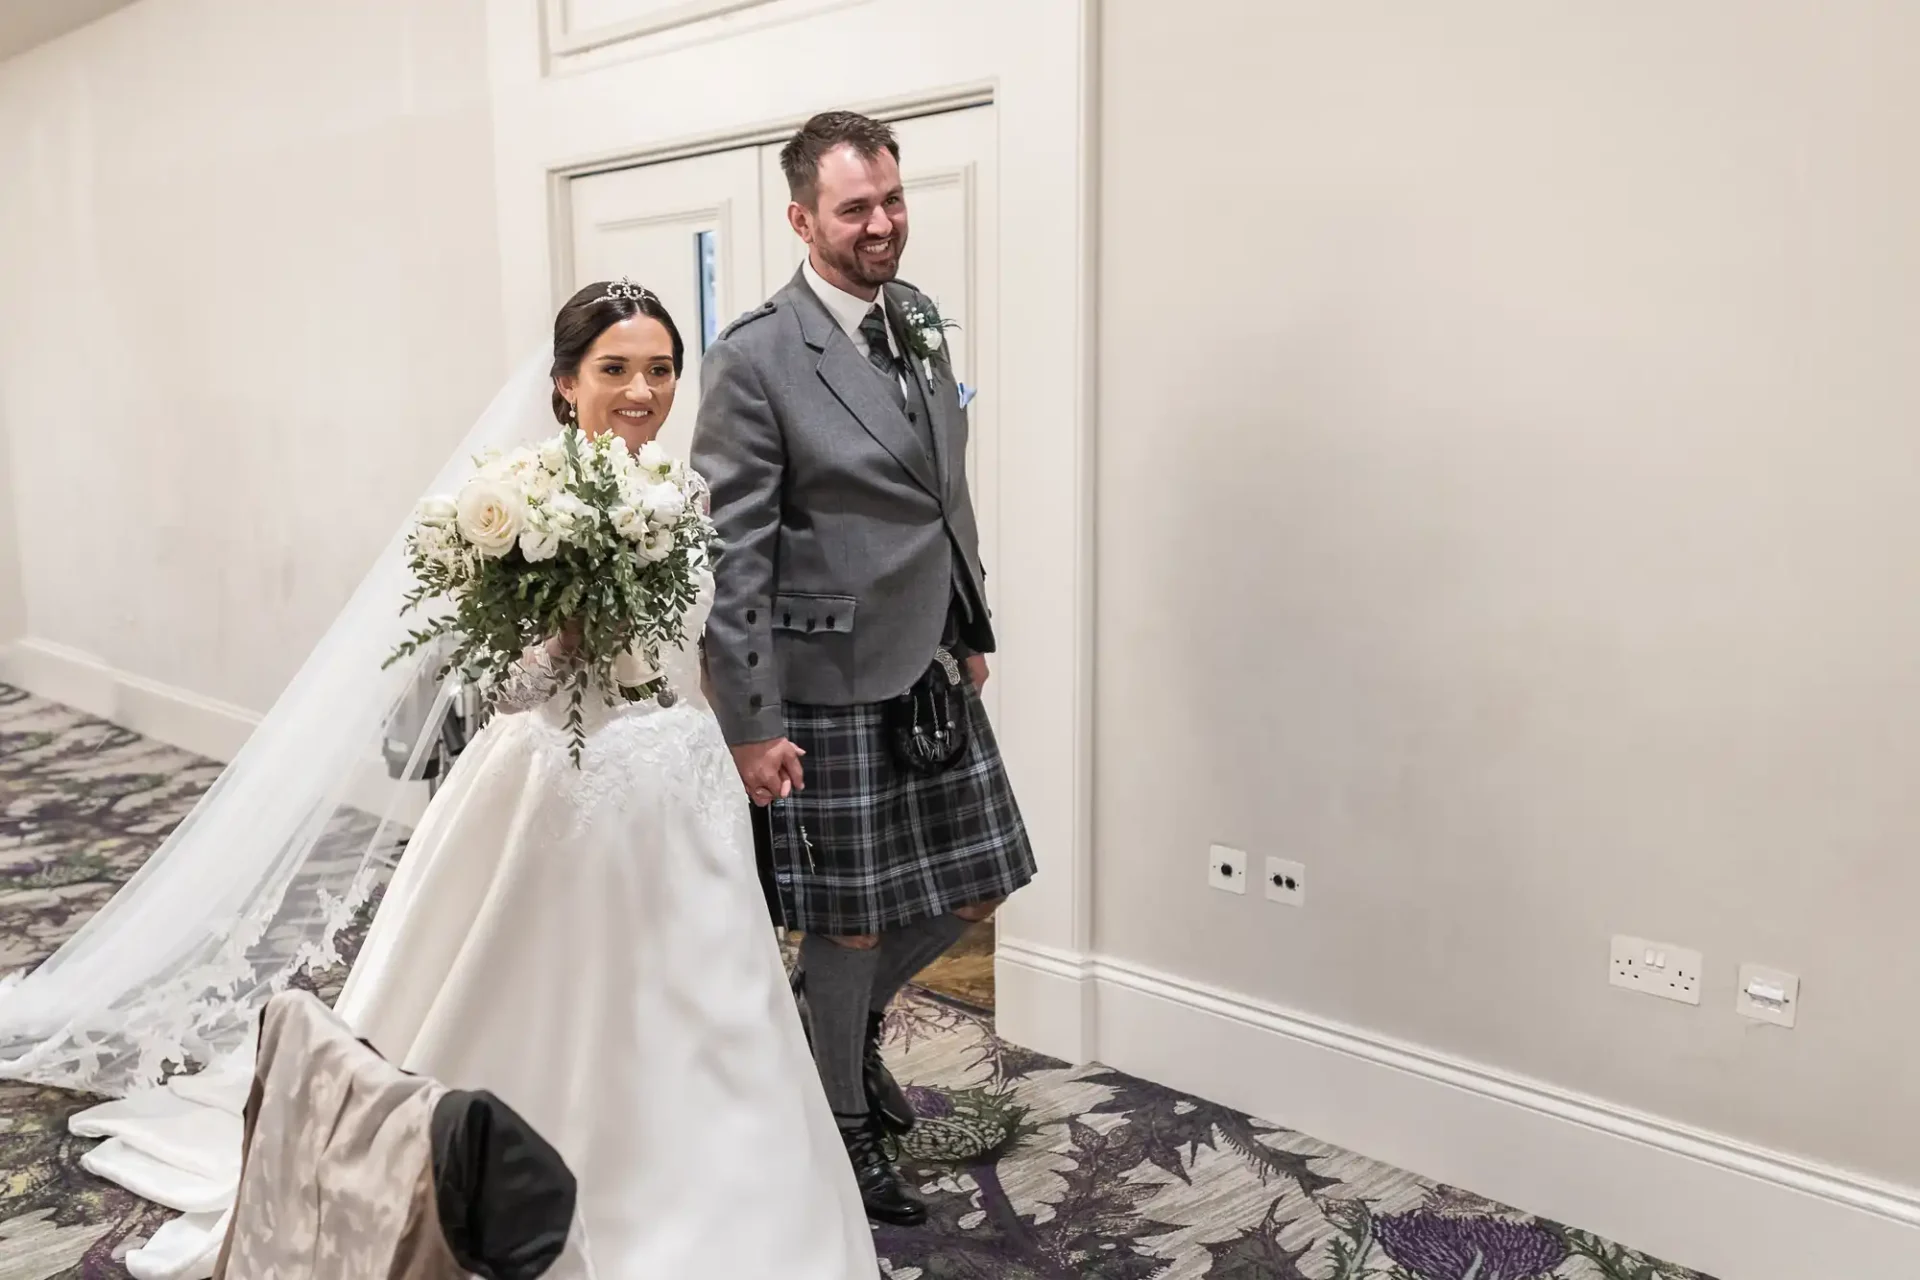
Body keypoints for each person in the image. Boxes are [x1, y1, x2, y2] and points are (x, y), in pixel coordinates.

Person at [0, 283, 879, 1280]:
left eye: (661, 368)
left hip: (680, 783)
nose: (642, 389)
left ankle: (729, 1199)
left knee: (711, 1005)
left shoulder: (690, 495)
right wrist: (562, 634)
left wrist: (745, 739)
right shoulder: (511, 498)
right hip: (552, 787)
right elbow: (500, 686)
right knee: (531, 992)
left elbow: (699, 641)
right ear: (564, 382)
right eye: (616, 368)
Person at [692, 111, 1038, 1226]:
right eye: (857, 207)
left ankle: (820, 1027)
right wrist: (749, 718)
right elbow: (733, 551)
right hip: (828, 681)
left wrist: (970, 621)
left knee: (978, 883)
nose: (884, 222)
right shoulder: (756, 355)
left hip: (931, 656)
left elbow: (947, 489)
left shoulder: (918, 316)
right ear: (801, 217)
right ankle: (842, 1121)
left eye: (893, 198)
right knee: (845, 922)